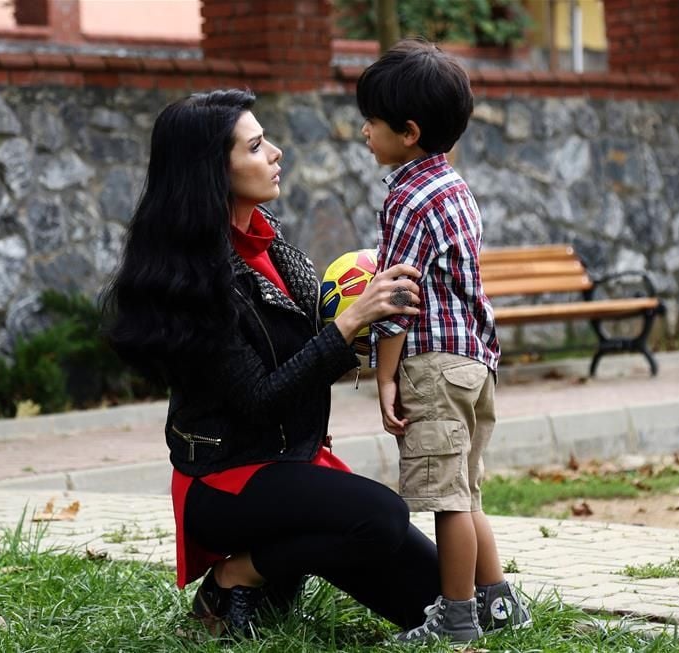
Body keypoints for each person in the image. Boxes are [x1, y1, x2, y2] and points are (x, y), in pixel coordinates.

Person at [100, 88, 441, 639]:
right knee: (379, 515)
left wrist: (365, 323)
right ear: (212, 170)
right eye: (256, 146)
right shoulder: (198, 281)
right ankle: (236, 575)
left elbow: (306, 350)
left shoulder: (268, 241)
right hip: (228, 478)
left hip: (292, 462)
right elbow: (260, 398)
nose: (277, 153)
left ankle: (273, 573)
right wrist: (349, 323)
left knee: (443, 598)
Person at [356, 39, 531, 644]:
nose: (363, 131)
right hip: (475, 364)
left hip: (433, 365)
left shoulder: (407, 196)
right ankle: (499, 603)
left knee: (447, 502)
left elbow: (397, 294)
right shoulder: (454, 186)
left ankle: (455, 618)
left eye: (371, 122)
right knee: (467, 490)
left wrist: (384, 376)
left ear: (407, 131)